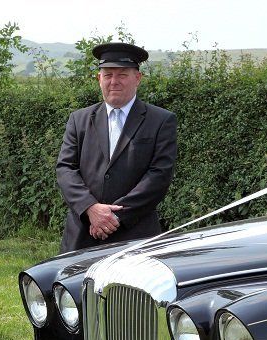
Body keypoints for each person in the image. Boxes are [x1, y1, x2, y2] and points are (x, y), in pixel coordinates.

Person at [56, 42, 177, 253]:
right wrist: (90, 209)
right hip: (83, 233)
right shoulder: (79, 119)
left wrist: (114, 216)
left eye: (122, 75)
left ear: (137, 78)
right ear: (99, 79)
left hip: (136, 235)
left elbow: (159, 176)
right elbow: (65, 169)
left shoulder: (161, 120)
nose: (114, 81)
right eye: (108, 74)